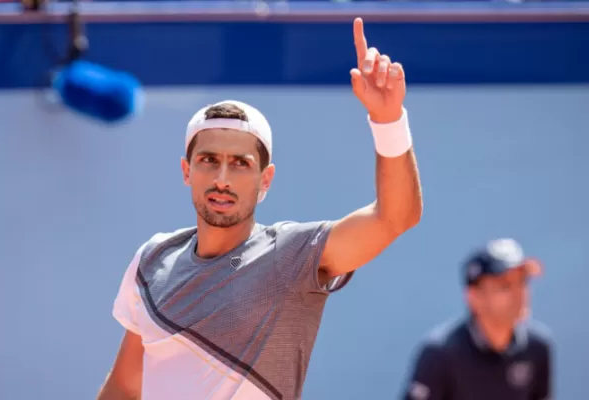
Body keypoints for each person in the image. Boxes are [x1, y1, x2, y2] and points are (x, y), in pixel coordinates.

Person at [97, 17, 422, 400]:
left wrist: (388, 121)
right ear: (187, 170)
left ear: (265, 180)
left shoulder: (290, 257)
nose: (222, 178)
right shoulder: (152, 259)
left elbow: (395, 217)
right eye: (208, 160)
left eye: (240, 164)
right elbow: (125, 386)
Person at [402, 238, 553, 400]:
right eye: (505, 285)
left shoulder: (538, 347)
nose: (519, 294)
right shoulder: (440, 354)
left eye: (522, 281)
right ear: (474, 297)